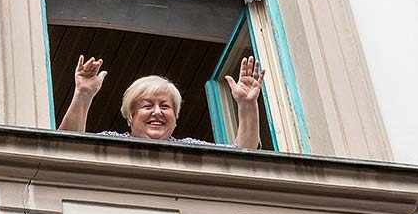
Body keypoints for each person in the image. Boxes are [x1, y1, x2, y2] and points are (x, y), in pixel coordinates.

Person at [59, 54, 266, 149]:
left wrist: (247, 105)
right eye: (147, 105)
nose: (157, 112)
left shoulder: (190, 148)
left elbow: (242, 156)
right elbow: (68, 148)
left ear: (175, 118)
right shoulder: (113, 142)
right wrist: (83, 94)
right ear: (130, 117)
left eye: (165, 106)